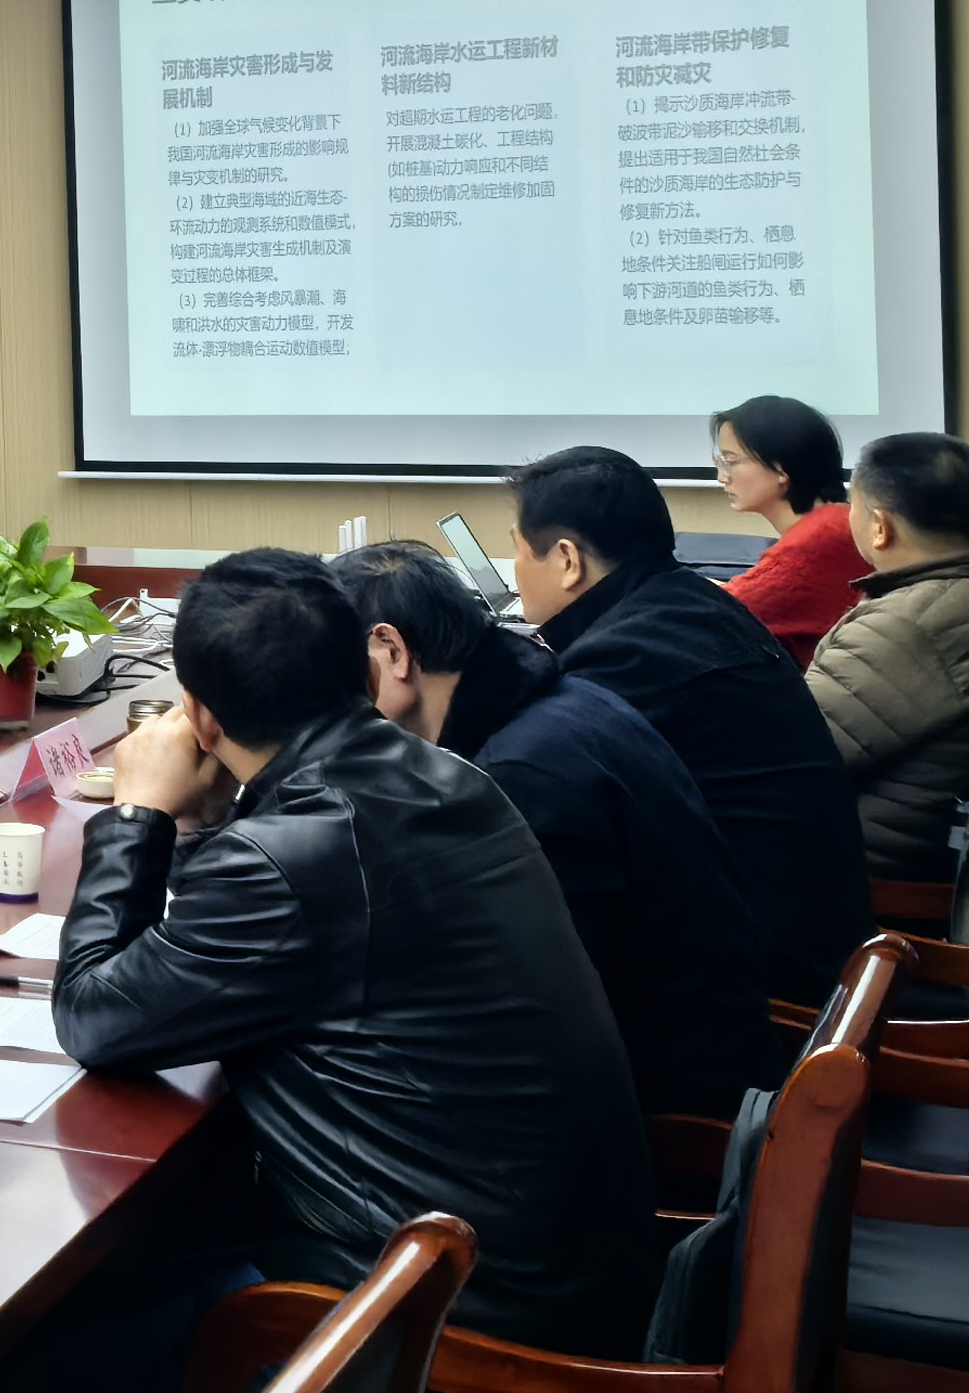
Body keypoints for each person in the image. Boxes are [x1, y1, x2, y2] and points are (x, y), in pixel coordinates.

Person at [57, 552, 652, 1393]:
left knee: (39, 1374)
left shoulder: (292, 855)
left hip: (463, 1382)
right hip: (561, 1308)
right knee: (153, 1266)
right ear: (369, 675)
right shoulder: (449, 777)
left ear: (202, 719)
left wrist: (137, 816)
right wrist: (212, 825)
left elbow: (94, 1017)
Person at [328, 541, 781, 1118]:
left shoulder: (520, 776)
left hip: (668, 1110)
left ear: (392, 650)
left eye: (331, 671)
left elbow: (524, 1008)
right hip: (706, 1056)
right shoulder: (558, 704)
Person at [508, 445, 871, 1002]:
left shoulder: (626, 657)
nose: (515, 573)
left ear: (566, 560)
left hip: (767, 981)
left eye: (517, 552)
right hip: (811, 937)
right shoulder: (687, 607)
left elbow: (539, 794)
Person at [806, 429, 969, 881]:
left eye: (853, 507)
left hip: (858, 861)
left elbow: (784, 754)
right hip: (911, 839)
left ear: (880, 527)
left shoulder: (906, 628)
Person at [710, 392, 864, 668]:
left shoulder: (823, 536)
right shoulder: (833, 521)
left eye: (731, 462)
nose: (722, 477)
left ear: (781, 470)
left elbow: (720, 613)